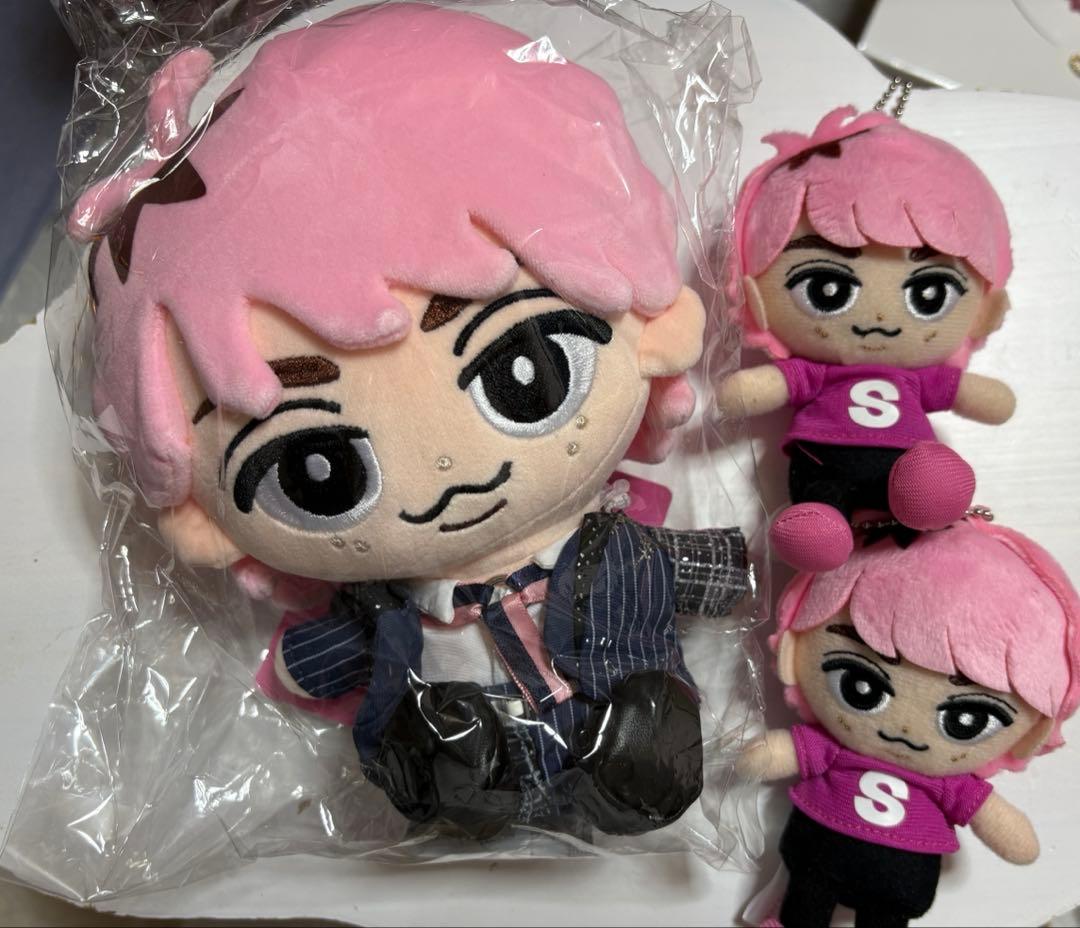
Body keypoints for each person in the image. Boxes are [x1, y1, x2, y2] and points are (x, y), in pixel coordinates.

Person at [73, 4, 750, 838]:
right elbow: (321, 658)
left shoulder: (619, 555)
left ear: (655, 324)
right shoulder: (388, 611)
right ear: (202, 514)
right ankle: (469, 786)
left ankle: (631, 751)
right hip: (473, 763)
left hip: (629, 742)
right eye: (316, 468)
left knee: (642, 741)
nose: (446, 476)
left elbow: (704, 572)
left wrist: (739, 571)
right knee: (442, 757)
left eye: (522, 373)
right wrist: (303, 666)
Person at [739, 518, 1080, 927]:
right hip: (821, 855)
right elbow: (781, 753)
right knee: (805, 903)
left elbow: (1006, 831)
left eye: (967, 719)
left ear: (1034, 730)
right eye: (861, 684)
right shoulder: (834, 750)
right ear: (795, 651)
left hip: (892, 876)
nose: (904, 729)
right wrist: (758, 756)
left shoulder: (948, 785)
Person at [719, 107, 1015, 571]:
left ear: (982, 312)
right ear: (755, 296)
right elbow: (760, 388)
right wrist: (744, 390)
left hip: (905, 467)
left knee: (929, 481)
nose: (879, 316)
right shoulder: (816, 372)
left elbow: (982, 399)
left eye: (929, 293)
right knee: (817, 508)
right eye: (827, 288)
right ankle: (819, 529)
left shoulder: (918, 378)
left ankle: (929, 496)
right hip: (822, 461)